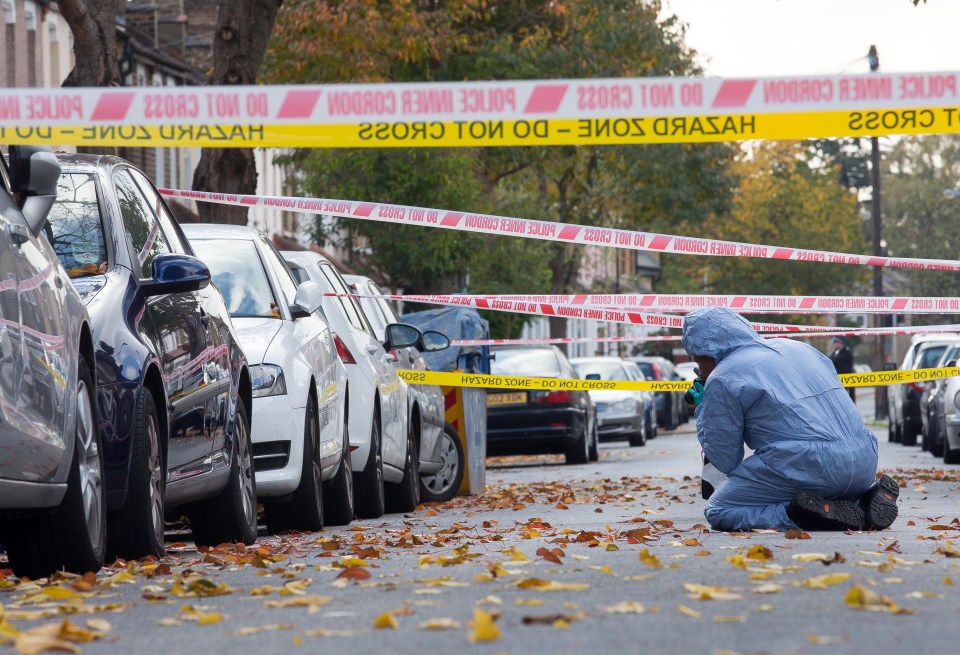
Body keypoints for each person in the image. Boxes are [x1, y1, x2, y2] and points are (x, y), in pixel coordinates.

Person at [681, 306, 898, 532]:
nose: (700, 371)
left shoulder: (722, 376)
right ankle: (861, 503)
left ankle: (799, 514)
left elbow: (724, 459)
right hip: (864, 460)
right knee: (826, 485)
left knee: (719, 509)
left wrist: (703, 405)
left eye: (698, 363)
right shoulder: (801, 348)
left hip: (808, 465)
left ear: (708, 353)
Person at [828, 336, 856, 401]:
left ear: (840, 343)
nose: (833, 344)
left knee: (847, 399)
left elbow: (836, 361)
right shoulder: (834, 353)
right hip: (837, 381)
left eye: (835, 342)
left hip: (846, 380)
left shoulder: (846, 352)